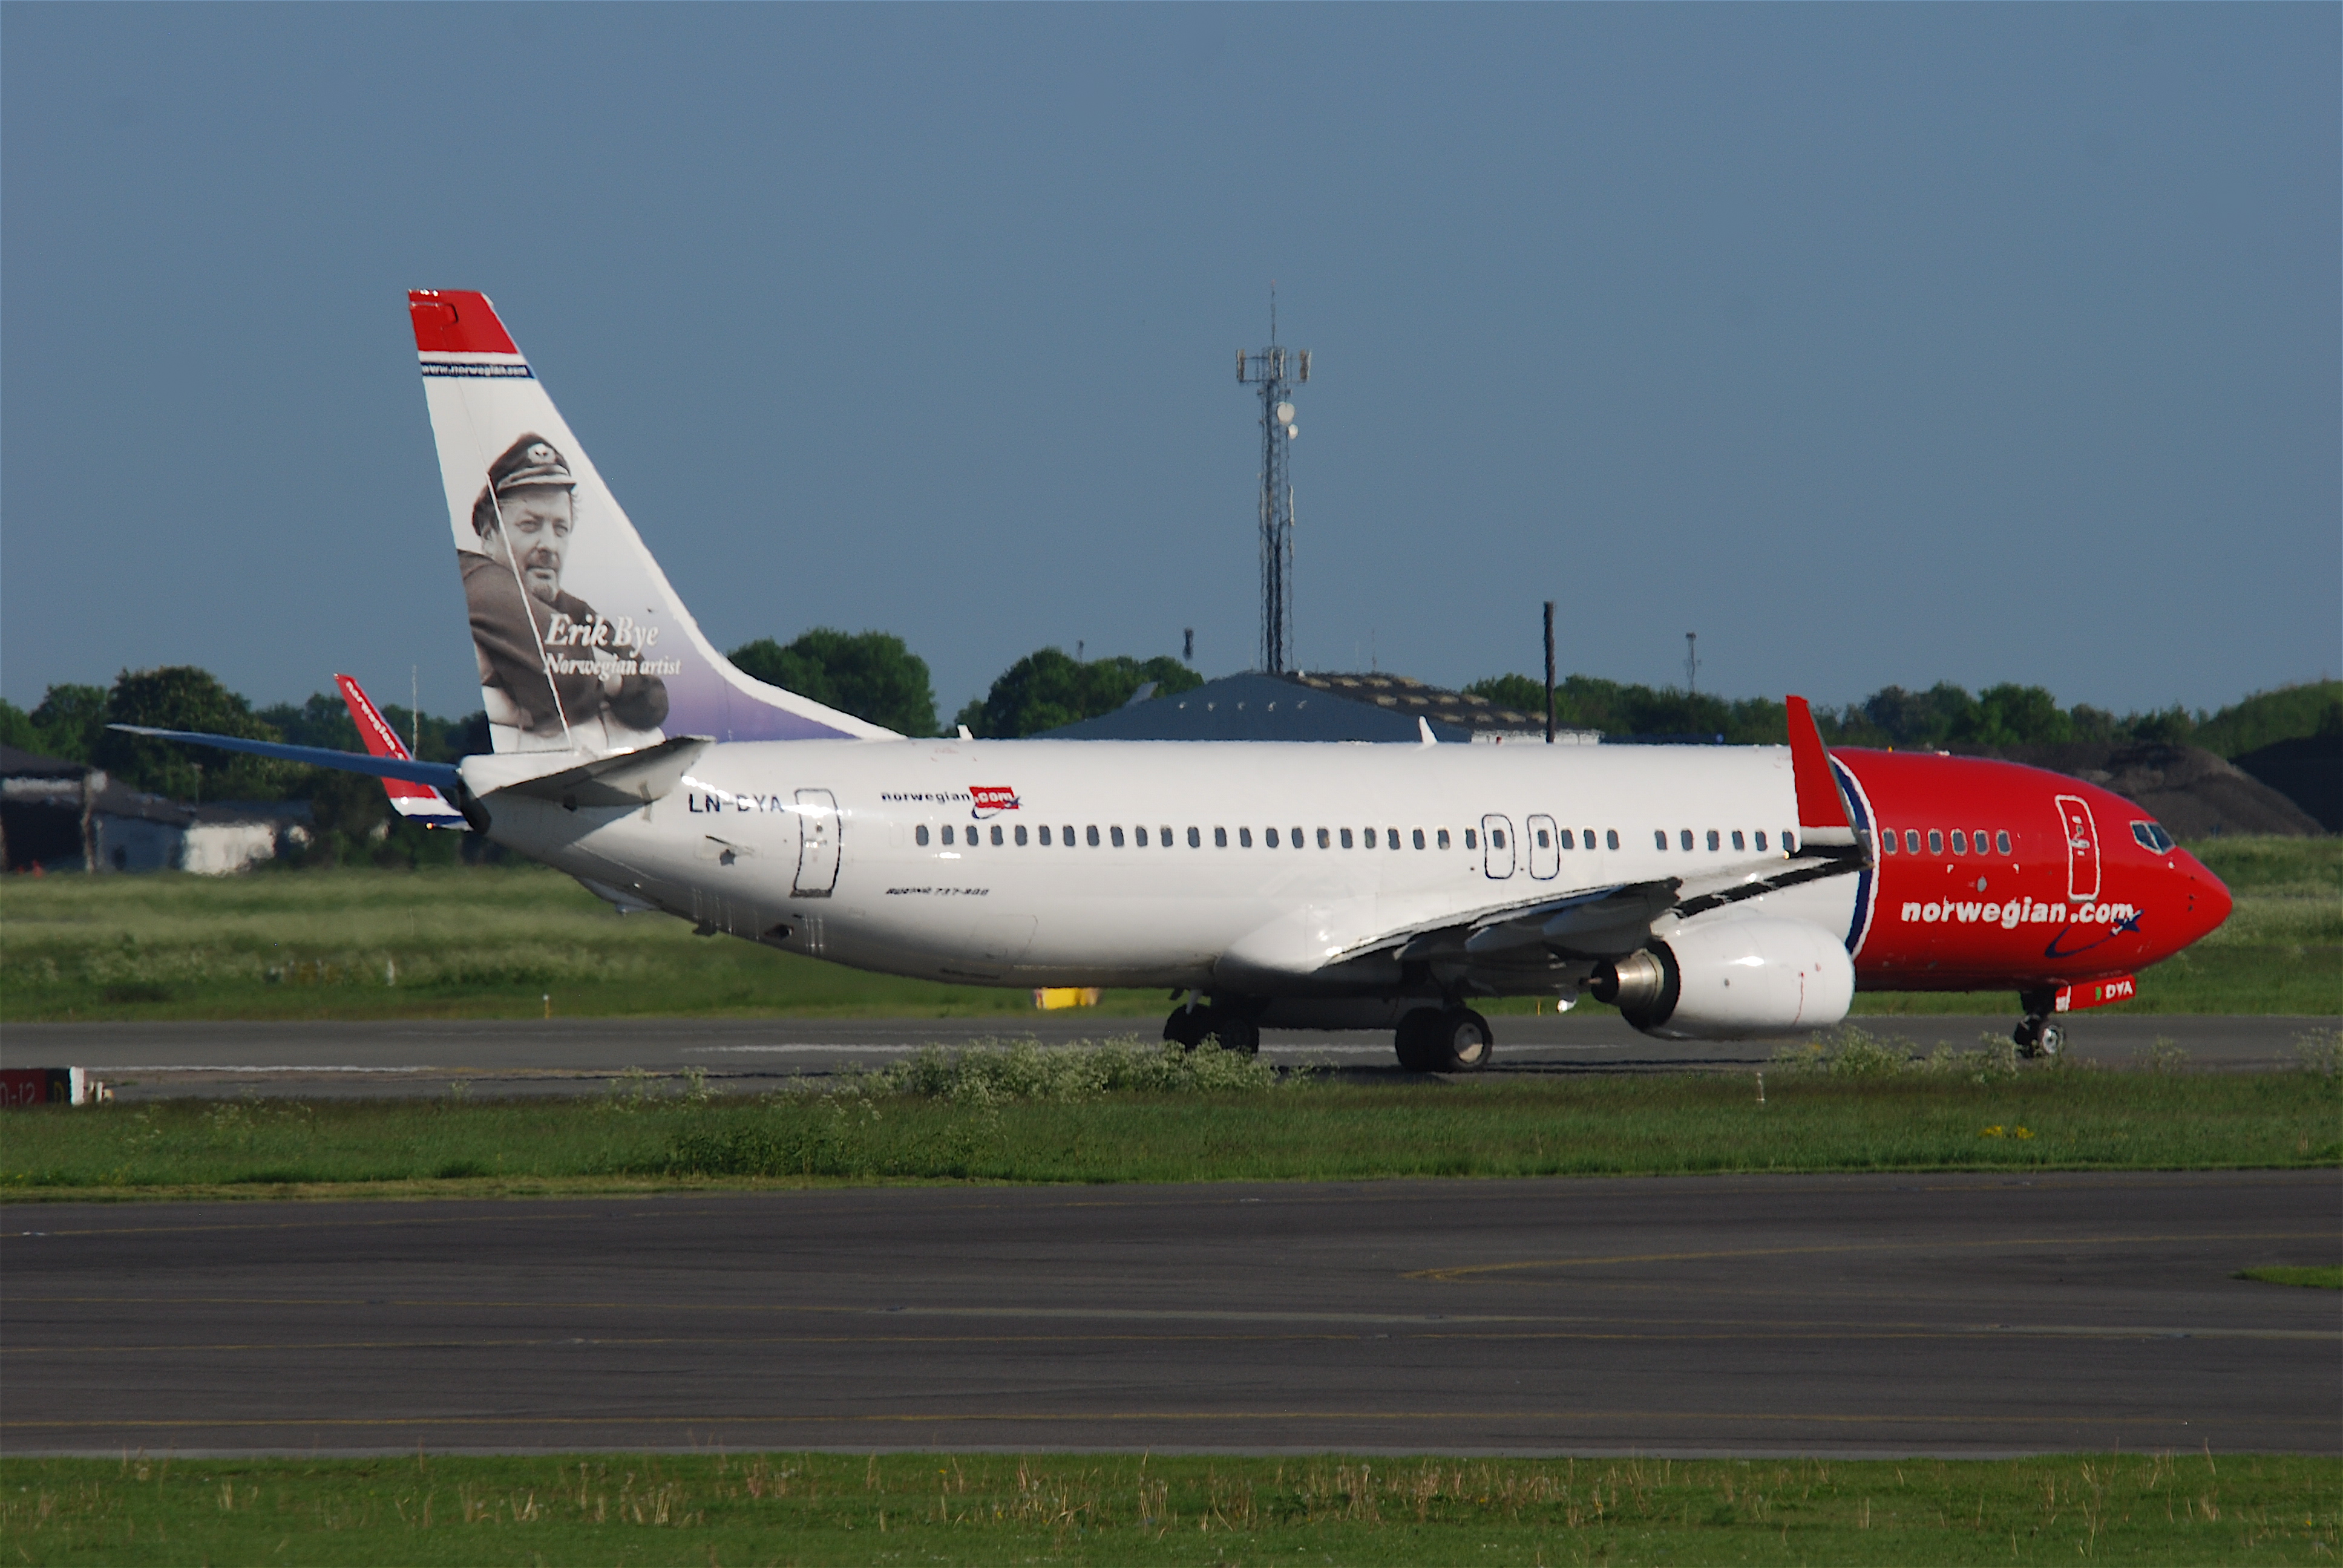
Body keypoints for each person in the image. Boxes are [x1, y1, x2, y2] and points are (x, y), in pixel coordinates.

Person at [457, 434, 669, 753]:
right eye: (530, 525)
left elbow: (653, 699)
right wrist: (604, 672)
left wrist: (606, 676)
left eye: (560, 529)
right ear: (489, 535)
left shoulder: (573, 611)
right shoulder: (475, 580)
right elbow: (568, 683)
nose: (549, 546)